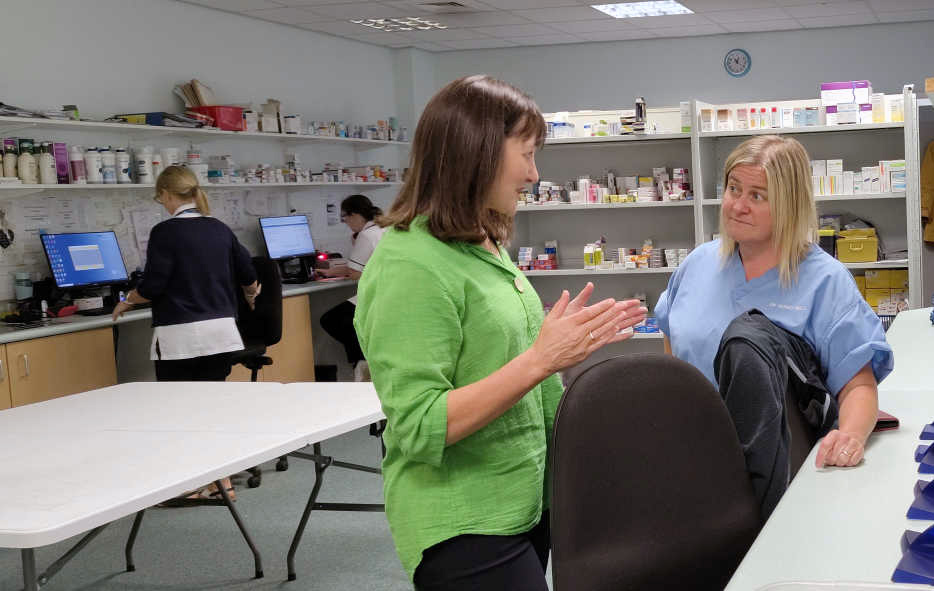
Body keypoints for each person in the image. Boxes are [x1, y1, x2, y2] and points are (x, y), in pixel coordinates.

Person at [353, 75, 647, 590]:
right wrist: (542, 358)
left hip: (526, 497)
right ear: (477, 154)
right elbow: (420, 423)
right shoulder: (410, 264)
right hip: (464, 519)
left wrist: (568, 347)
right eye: (527, 154)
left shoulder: (480, 242)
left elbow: (507, 363)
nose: (535, 174)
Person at [655, 135, 893, 519]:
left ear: (789, 205)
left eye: (757, 196)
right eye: (734, 189)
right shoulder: (698, 264)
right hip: (691, 457)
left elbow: (858, 384)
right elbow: (672, 341)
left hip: (778, 470)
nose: (738, 206)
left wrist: (850, 435)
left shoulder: (824, 282)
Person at [113, 165, 261, 499]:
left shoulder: (165, 232)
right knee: (210, 408)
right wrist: (251, 293)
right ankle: (220, 480)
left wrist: (127, 301)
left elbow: (152, 286)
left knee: (181, 413)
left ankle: (196, 485)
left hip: (181, 338)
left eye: (160, 197)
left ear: (166, 194)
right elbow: (248, 273)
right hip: (222, 334)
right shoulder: (219, 228)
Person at [318, 194, 385, 381]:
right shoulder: (384, 228)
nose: (346, 222)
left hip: (375, 296)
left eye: (345, 218)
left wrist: (354, 246)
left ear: (355, 215)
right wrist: (333, 272)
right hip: (391, 294)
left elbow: (355, 273)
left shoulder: (366, 234)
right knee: (347, 321)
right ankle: (360, 360)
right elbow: (355, 267)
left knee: (332, 320)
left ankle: (361, 360)